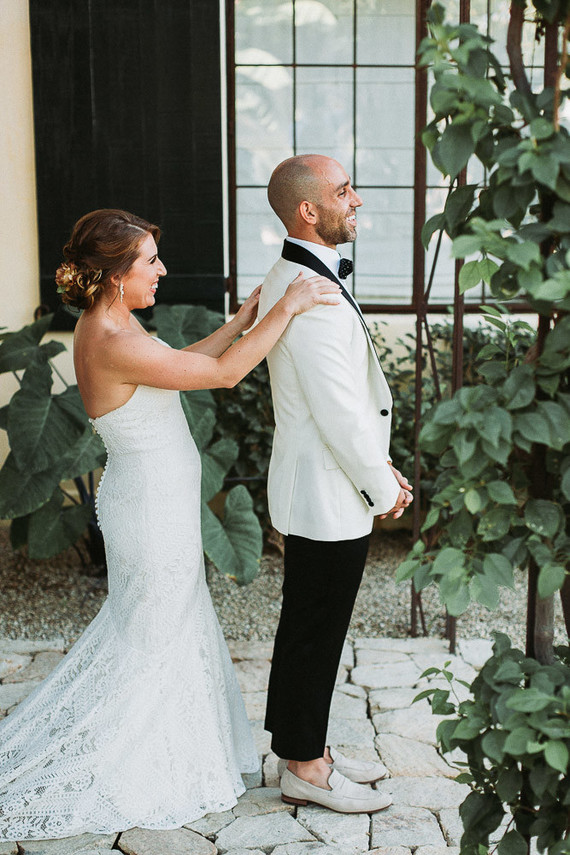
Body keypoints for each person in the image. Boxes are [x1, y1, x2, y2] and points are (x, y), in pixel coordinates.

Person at [0, 208, 341, 841]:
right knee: (153, 629)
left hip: (157, 498)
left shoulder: (115, 323)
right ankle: (133, 761)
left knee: (164, 622)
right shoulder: (110, 338)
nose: (162, 271)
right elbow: (220, 375)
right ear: (112, 275)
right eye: (149, 262)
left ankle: (169, 744)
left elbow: (175, 366)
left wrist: (239, 321)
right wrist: (283, 311)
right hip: (150, 507)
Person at [258, 155, 413, 814]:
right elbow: (340, 412)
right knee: (315, 629)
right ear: (307, 211)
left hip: (324, 486)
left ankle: (304, 747)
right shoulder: (307, 289)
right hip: (327, 493)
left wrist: (381, 471)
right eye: (343, 190)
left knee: (309, 626)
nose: (357, 199)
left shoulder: (302, 275)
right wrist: (384, 488)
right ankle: (306, 767)